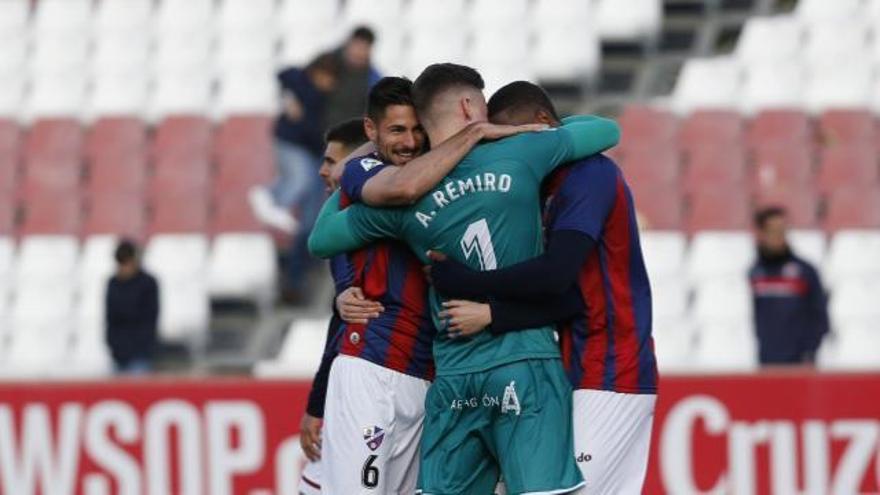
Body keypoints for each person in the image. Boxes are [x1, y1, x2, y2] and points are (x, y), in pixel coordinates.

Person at [308, 64, 620, 495]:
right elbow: (605, 130)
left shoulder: (405, 196)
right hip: (524, 363)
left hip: (454, 377)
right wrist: (519, 132)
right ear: (470, 106)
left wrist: (364, 157)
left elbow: (322, 238)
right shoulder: (524, 152)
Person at [425, 81, 659, 494]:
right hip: (568, 365)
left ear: (542, 125)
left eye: (508, 134)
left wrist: (471, 286)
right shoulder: (535, 188)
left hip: (612, 370)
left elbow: (556, 276)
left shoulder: (590, 173)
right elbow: (567, 298)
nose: (502, 149)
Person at [297, 118, 369, 495]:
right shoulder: (340, 220)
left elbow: (346, 320)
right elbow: (340, 320)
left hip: (381, 382)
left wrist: (317, 403)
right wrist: (317, 402)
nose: (323, 170)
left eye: (331, 160)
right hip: (357, 375)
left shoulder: (364, 220)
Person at [250, 53, 340, 301]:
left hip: (314, 154)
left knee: (312, 215)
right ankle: (271, 198)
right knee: (298, 179)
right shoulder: (302, 82)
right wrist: (289, 97)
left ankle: (298, 274)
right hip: (291, 143)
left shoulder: (326, 100)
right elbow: (284, 73)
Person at [749, 206, 829, 365]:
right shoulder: (753, 273)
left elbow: (820, 316)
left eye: (783, 230)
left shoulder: (805, 271)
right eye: (774, 230)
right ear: (761, 234)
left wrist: (809, 350)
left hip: (799, 363)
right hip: (764, 363)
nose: (780, 236)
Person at [105, 239, 160, 375]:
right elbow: (110, 318)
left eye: (126, 262)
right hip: (117, 356)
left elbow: (149, 318)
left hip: (140, 355)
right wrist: (114, 346)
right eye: (120, 262)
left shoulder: (148, 283)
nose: (123, 267)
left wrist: (143, 348)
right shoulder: (113, 283)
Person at [323, 26, 383, 130]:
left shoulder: (373, 80)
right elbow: (298, 78)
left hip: (345, 140)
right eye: (357, 46)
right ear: (349, 43)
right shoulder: (327, 62)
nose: (358, 52)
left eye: (364, 48)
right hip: (308, 136)